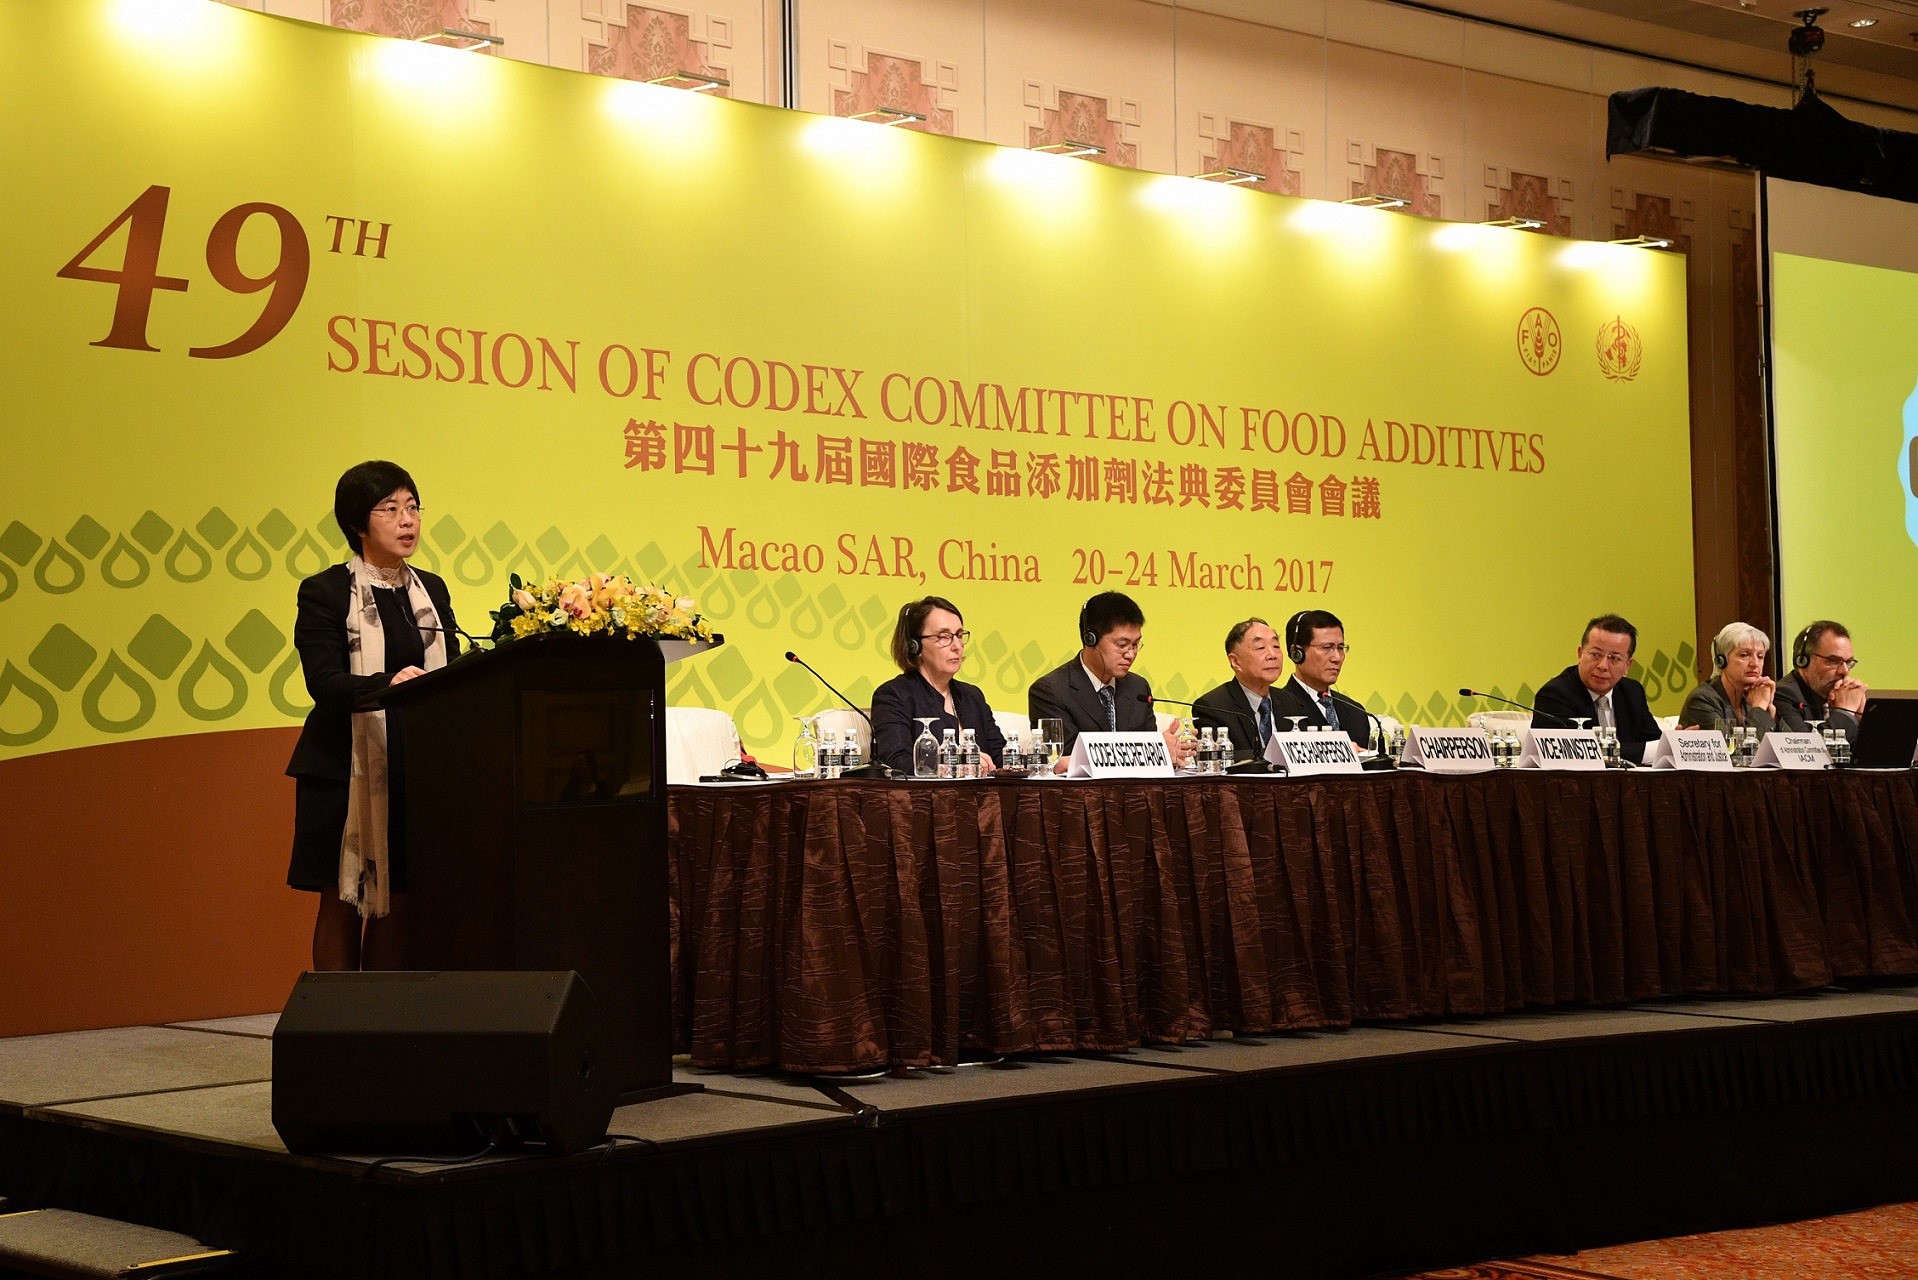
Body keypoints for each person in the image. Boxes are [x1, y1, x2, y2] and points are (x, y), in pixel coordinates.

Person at [285, 461, 459, 972]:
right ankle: (338, 1016)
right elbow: (324, 682)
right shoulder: (325, 591)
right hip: (341, 767)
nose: (408, 521)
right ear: (357, 523)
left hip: (411, 766)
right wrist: (388, 684)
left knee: (398, 900)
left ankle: (383, 1014)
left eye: (413, 508)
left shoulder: (431, 590)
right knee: (342, 899)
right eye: (390, 509)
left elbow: (450, 667)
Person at [1028, 591, 1189, 765]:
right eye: (1122, 645)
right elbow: (1069, 759)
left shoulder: (1138, 687)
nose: (1130, 654)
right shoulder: (1050, 691)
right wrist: (1153, 750)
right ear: (1090, 639)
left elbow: (1148, 763)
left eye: (1135, 644)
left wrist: (1165, 754)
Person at [870, 596, 1007, 774]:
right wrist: (958, 763)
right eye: (944, 637)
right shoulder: (894, 695)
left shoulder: (972, 696)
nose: (957, 645)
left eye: (959, 635)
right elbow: (896, 762)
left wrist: (1037, 764)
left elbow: (1001, 756)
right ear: (915, 646)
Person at [1534, 613, 1664, 764]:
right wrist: (1644, 751)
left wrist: (1676, 743)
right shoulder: (1555, 695)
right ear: (1580, 654)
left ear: (1627, 666)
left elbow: (1657, 745)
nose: (1603, 666)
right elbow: (1576, 754)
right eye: (1596, 655)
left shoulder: (1632, 692)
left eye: (1614, 658)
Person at [1270, 609, 1372, 749]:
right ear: (1297, 653)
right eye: (1327, 647)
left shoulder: (1356, 712)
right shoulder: (1278, 710)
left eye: (1341, 648)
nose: (1337, 658)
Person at [1193, 617, 1284, 762]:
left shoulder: (1289, 701)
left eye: (1276, 646)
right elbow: (1217, 758)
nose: (1272, 655)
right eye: (1261, 648)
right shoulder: (1213, 706)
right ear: (1235, 661)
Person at [1679, 622, 1779, 733]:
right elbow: (1732, 744)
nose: (1755, 663)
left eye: (1760, 656)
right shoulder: (1702, 700)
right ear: (1721, 661)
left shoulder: (1754, 696)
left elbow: (1791, 742)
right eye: (1744, 655)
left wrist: (1771, 712)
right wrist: (1759, 708)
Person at [1776, 620, 1868, 740]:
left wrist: (1863, 718)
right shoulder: (1784, 694)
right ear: (1803, 660)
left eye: (1848, 662)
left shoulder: (1838, 696)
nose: (1845, 671)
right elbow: (1807, 748)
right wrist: (1845, 712)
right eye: (1833, 660)